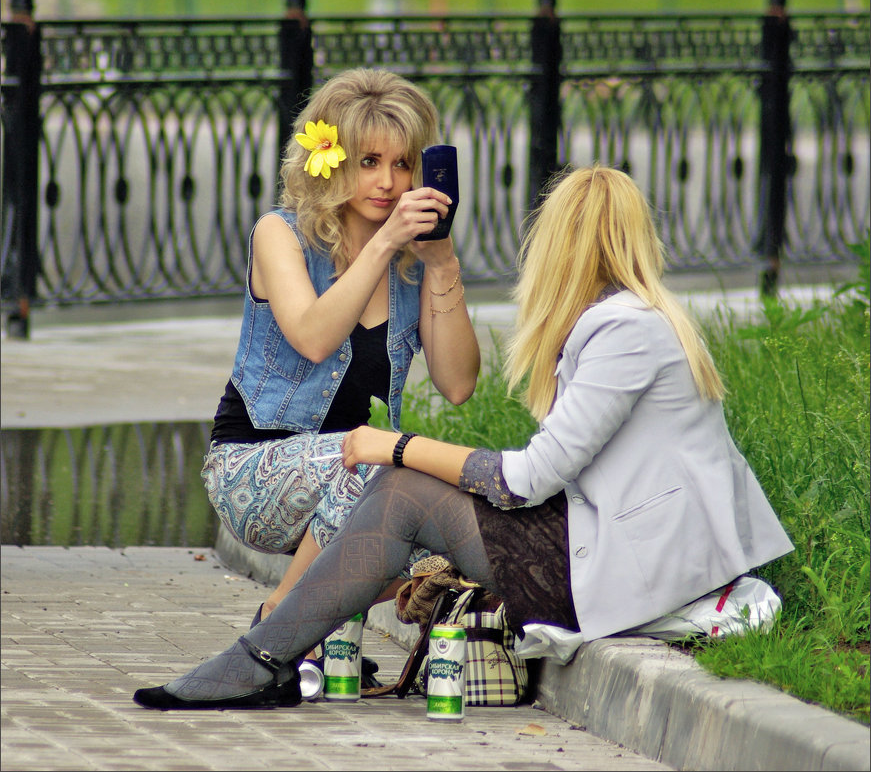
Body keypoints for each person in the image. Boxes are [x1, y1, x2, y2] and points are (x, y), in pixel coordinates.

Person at [133, 164, 794, 710]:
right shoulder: (629, 321)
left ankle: (260, 658)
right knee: (400, 492)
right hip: (609, 545)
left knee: (401, 487)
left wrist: (392, 444)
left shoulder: (625, 332)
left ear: (558, 243)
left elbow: (527, 477)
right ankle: (268, 655)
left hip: (626, 568)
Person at [199, 69, 480, 654]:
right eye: (369, 161)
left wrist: (443, 263)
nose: (387, 181)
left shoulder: (413, 264)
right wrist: (382, 244)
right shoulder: (280, 235)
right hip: (253, 469)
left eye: (403, 164)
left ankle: (322, 629)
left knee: (455, 530)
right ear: (330, 160)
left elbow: (458, 384)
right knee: (376, 460)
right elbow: (313, 338)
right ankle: (278, 624)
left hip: (352, 480)